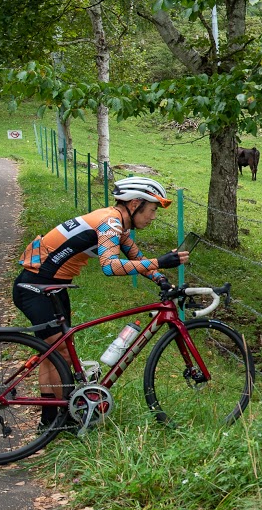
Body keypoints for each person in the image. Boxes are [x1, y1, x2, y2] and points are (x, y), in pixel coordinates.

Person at [13, 176, 189, 416]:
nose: (153, 216)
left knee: (53, 353)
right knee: (59, 352)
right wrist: (161, 262)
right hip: (36, 288)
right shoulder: (110, 222)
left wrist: (159, 277)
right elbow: (110, 266)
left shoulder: (118, 223)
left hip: (52, 287)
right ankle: (59, 417)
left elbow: (136, 258)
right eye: (151, 210)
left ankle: (51, 419)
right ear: (135, 203)